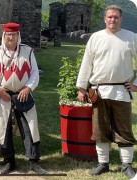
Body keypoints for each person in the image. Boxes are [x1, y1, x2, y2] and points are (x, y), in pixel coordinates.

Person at [76, 5, 137, 179]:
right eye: (110, 17)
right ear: (105, 19)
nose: (113, 20)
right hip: (99, 92)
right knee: (100, 129)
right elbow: (86, 63)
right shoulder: (96, 38)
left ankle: (126, 165)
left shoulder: (132, 38)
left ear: (121, 19)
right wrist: (81, 87)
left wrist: (136, 85)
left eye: (116, 17)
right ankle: (103, 164)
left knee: (124, 129)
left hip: (121, 92)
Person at [0, 22, 46, 174]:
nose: (10, 37)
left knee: (30, 128)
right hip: (4, 95)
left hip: (23, 95)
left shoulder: (28, 52)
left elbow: (34, 74)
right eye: (8, 34)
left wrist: (28, 88)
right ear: (4, 36)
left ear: (18, 36)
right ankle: (9, 161)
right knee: (3, 130)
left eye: (13, 34)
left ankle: (34, 162)